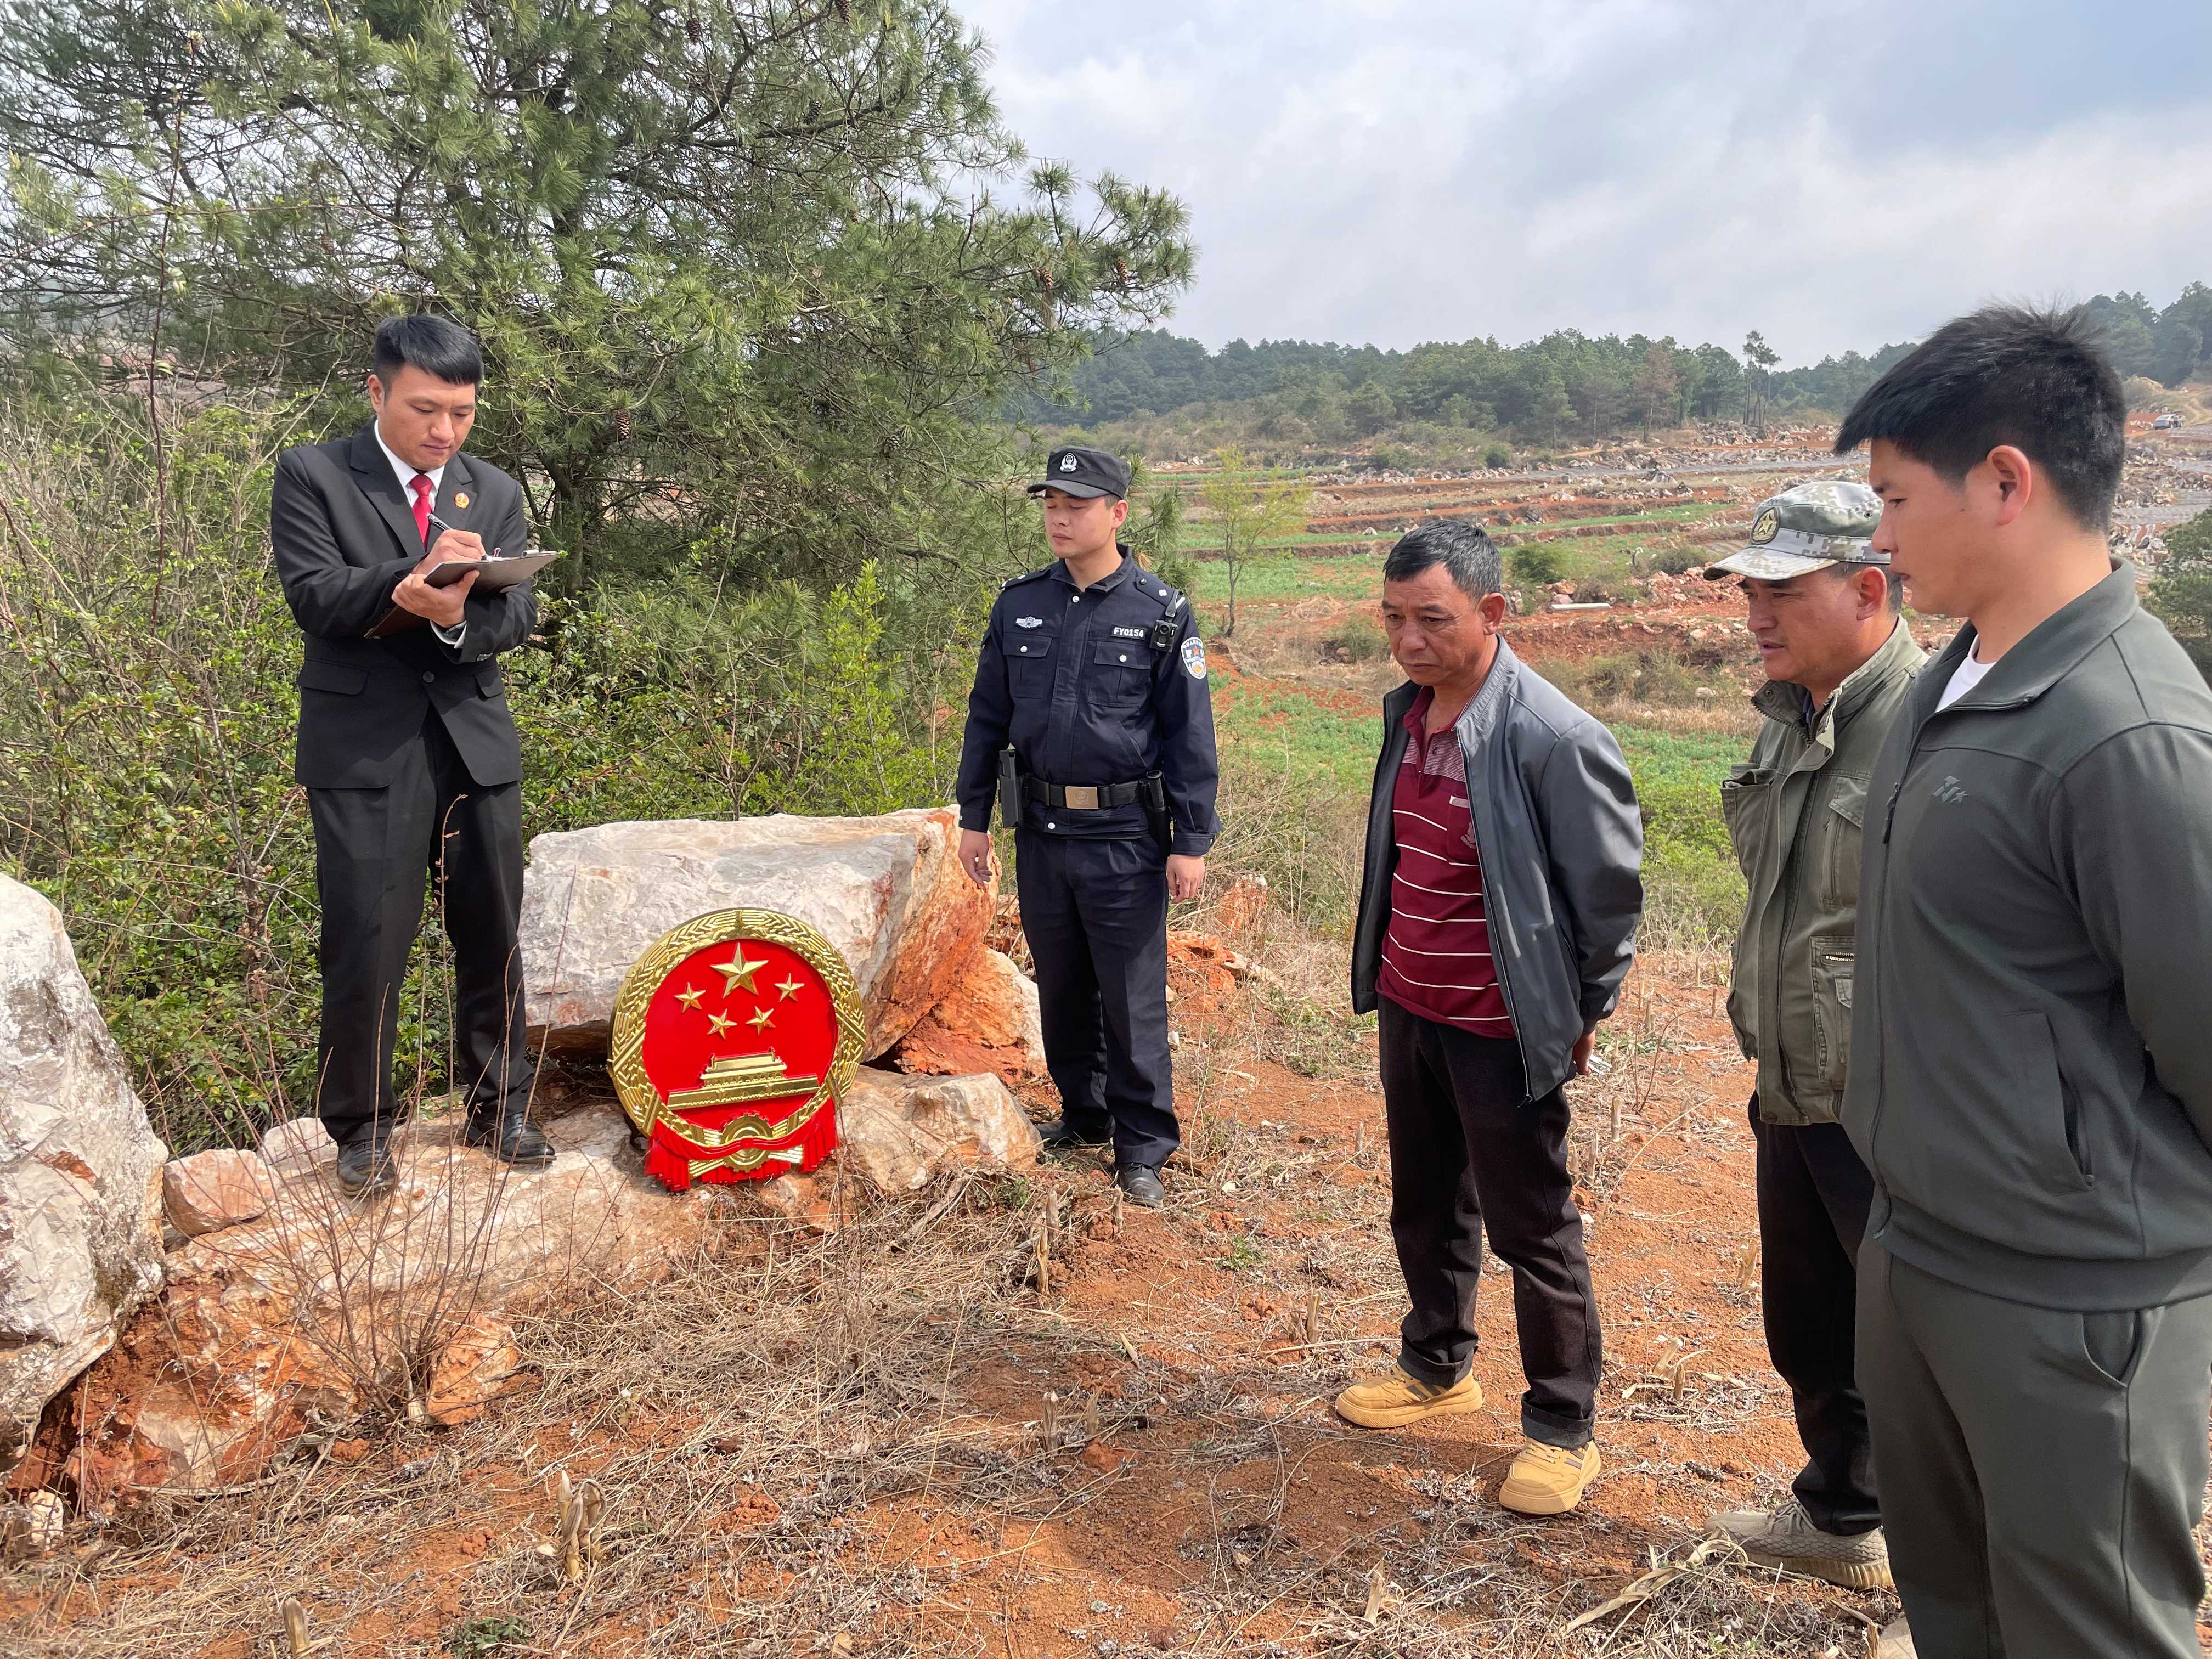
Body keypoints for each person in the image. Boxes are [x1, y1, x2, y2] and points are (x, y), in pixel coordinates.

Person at [1837, 306, 2212, 1658]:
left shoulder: (2132, 732)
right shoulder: (1958, 678)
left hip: (2073, 1306)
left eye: (1893, 497)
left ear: (2006, 481)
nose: (1879, 535)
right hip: (1927, 1249)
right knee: (1960, 1613)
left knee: (2085, 1634)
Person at [1333, 518, 1642, 1518]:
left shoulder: (1551, 737)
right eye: (1393, 619)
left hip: (1500, 1027)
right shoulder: (1411, 713)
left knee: (1533, 1226)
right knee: (1424, 1200)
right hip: (1413, 1009)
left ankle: (1561, 1428)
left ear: (1493, 613)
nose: (1408, 640)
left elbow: (1606, 904)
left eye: (1432, 619)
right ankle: (1436, 1366)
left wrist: (1574, 1016)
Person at [271, 314, 551, 1197]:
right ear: (377, 392)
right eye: (427, 409)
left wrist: (461, 613)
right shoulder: (314, 473)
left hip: (473, 741)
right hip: (364, 747)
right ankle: (361, 1128)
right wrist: (409, 579)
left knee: (493, 928)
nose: (445, 432)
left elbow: (515, 617)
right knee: (365, 937)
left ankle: (498, 1105)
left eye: (463, 414)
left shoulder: (491, 489)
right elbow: (312, 594)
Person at [1699, 481, 1922, 1589]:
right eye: (1750, 589)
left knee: (1926, 1357)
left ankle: (1945, 1589)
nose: (1756, 612)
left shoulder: (1934, 726)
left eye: (1782, 590)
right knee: (1815, 1328)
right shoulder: (1787, 722)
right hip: (1793, 1083)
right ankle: (1841, 1519)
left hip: (1895, 1105)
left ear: (1868, 588)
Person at [954, 445, 1220, 1209]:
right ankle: (1085, 1114)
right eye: (1050, 504)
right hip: (1040, 831)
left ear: (1117, 514)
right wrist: (976, 819)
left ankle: (1143, 1149)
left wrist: (1191, 840)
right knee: (1061, 985)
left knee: (1131, 997)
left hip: (1125, 840)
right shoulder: (1019, 606)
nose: (1060, 517)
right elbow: (987, 719)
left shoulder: (1161, 613)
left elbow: (1189, 737)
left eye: (1076, 504)